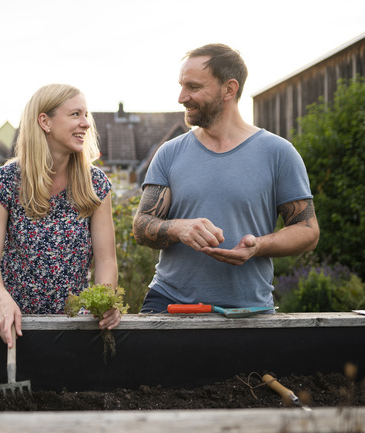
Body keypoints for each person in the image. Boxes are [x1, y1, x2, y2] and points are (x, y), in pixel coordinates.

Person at [133, 43, 319, 313]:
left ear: (229, 89)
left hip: (248, 311)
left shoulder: (279, 153)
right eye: (182, 86)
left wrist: (258, 246)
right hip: (170, 305)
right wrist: (179, 228)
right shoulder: (169, 153)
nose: (182, 97)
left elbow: (308, 233)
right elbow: (141, 227)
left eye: (193, 87)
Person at [0, 83, 120, 347]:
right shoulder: (6, 181)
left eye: (86, 115)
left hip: (75, 326)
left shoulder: (95, 184)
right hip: (14, 323)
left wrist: (106, 302)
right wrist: (3, 300)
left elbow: (106, 260)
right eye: (75, 114)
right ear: (45, 121)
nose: (86, 123)